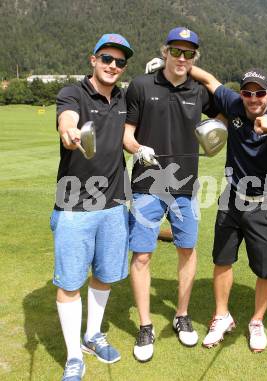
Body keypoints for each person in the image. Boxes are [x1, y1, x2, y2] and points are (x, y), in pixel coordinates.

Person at [123, 27, 220, 362]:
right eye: (176, 51)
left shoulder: (200, 91)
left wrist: (213, 137)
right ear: (164, 51)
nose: (182, 58)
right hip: (147, 186)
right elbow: (127, 133)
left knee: (187, 251)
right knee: (142, 255)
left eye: (189, 53)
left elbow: (223, 116)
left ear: (195, 59)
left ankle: (181, 315)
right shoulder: (141, 85)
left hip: (186, 189)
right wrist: (137, 149)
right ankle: (146, 326)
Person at [188, 66, 267, 352]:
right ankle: (222, 316)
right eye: (247, 92)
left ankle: (257, 321)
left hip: (265, 204)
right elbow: (209, 80)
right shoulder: (234, 103)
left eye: (259, 93)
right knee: (222, 260)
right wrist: (178, 62)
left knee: (265, 269)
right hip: (231, 198)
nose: (253, 98)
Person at [52, 33, 133, 381]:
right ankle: (73, 356)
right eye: (106, 59)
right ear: (93, 59)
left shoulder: (124, 99)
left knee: (104, 275)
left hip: (114, 204)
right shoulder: (73, 93)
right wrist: (70, 133)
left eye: (119, 62)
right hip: (74, 206)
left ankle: (92, 335)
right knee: (70, 283)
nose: (112, 66)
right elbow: (66, 121)